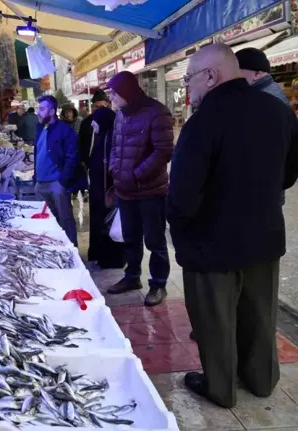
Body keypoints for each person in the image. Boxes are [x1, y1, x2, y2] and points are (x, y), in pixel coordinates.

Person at [168, 43, 298, 408]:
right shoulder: (279, 112)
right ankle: (261, 379)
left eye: (189, 78)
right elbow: (289, 175)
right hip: (264, 237)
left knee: (215, 322)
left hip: (212, 243)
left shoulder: (203, 121)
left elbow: (182, 196)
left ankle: (220, 387)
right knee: (260, 315)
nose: (188, 87)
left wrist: (180, 231)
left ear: (210, 75)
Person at [106, 71, 174, 306]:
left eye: (114, 92)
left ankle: (158, 284)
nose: (111, 97)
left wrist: (136, 175)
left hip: (150, 192)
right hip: (125, 191)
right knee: (131, 238)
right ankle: (132, 277)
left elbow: (163, 151)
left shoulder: (157, 112)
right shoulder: (120, 115)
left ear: (126, 91)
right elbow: (115, 146)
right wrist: (116, 169)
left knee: (155, 240)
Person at [236, 47, 290, 207]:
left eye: (238, 72)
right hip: (268, 187)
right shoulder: (266, 93)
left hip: (262, 190)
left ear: (257, 73)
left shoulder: (266, 99)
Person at [78, 89, 125, 269]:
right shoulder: (101, 137)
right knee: (98, 219)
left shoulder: (111, 139)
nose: (94, 124)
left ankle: (111, 258)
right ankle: (98, 252)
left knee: (110, 220)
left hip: (109, 188)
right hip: (99, 187)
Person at [34, 95, 87, 246]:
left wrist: (63, 181)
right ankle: (53, 250)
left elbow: (73, 157)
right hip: (40, 184)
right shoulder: (39, 127)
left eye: (42, 109)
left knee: (65, 220)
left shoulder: (65, 131)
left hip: (57, 184)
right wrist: (35, 176)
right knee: (46, 220)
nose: (38, 112)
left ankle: (72, 251)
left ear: (51, 112)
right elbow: (38, 152)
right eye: (39, 108)